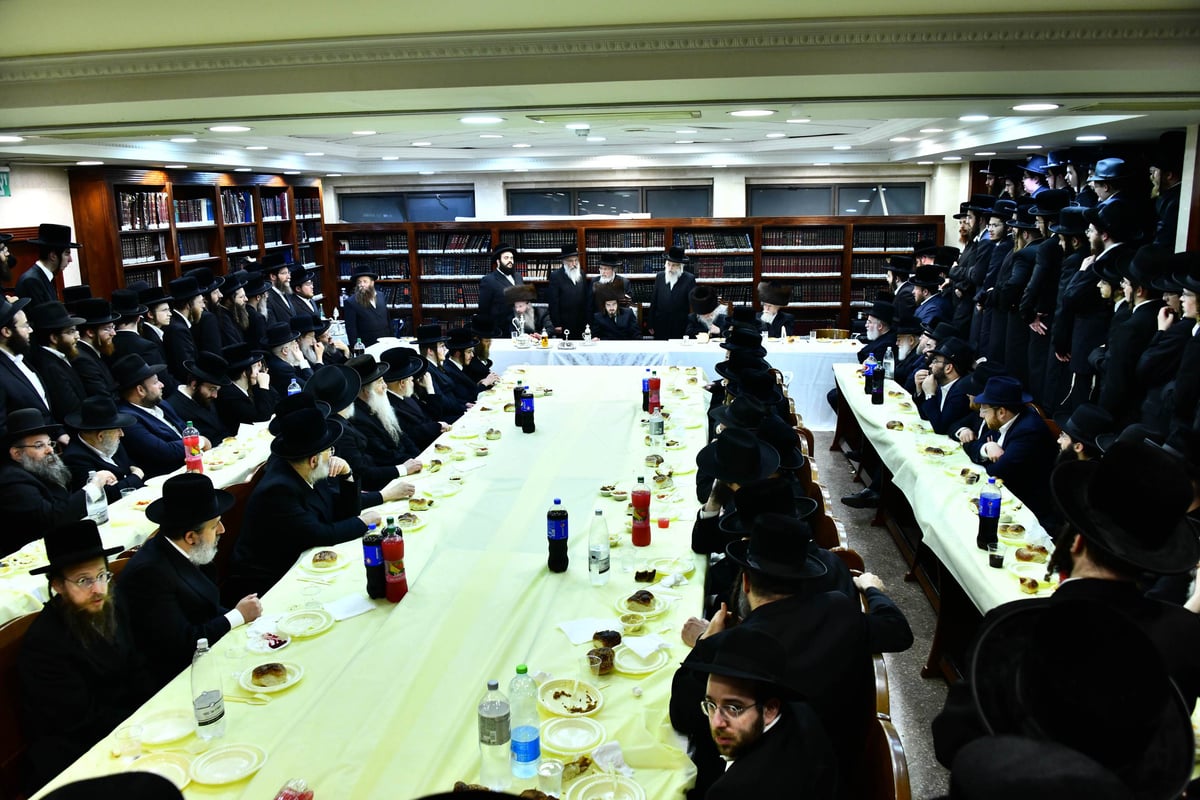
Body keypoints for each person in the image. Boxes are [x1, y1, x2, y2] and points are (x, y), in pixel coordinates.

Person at [670, 512, 880, 800]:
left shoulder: (737, 648)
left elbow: (681, 714)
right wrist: (873, 592)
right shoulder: (841, 609)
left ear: (745, 582)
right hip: (834, 766)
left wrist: (706, 642)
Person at [18, 520, 153, 793]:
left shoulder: (112, 604)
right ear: (58, 585)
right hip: (79, 754)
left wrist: (157, 712)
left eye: (103, 575)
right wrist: (145, 730)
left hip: (128, 727)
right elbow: (80, 718)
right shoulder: (43, 644)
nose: (98, 589)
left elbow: (137, 666)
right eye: (83, 580)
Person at [117, 473, 262, 688]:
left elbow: (206, 608)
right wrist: (237, 616)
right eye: (215, 526)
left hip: (205, 653)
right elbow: (181, 645)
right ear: (190, 537)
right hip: (174, 678)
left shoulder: (187, 550)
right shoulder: (148, 574)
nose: (223, 530)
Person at [231, 400, 380, 595]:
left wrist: (347, 475)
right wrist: (363, 523)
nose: (332, 455)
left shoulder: (306, 469)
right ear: (313, 460)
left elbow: (342, 512)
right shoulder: (278, 490)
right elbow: (319, 534)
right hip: (269, 582)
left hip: (302, 558)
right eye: (329, 451)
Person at [683, 626, 837, 800]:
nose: (717, 722)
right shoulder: (802, 712)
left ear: (770, 709)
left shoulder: (731, 792)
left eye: (734, 708)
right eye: (711, 704)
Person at [0, 409, 114, 553]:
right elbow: (52, 519)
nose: (50, 450)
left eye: (50, 443)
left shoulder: (37, 468)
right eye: (39, 445)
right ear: (17, 453)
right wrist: (94, 486)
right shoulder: (12, 480)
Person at [303, 367, 417, 507]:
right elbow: (361, 472)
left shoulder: (343, 421)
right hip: (368, 491)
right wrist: (402, 469)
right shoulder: (339, 430)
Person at [963, 376, 1058, 526]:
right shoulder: (1006, 419)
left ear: (1001, 411)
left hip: (1027, 509)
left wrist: (984, 454)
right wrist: (986, 448)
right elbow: (970, 445)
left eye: (984, 409)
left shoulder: (1028, 431)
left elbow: (997, 472)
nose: (981, 414)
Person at [1098, 244, 1166, 428]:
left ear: (1139, 290)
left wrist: (1101, 416)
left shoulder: (1130, 326)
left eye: (1126, 283)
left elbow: (1116, 382)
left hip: (1125, 413)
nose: (1122, 287)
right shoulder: (1164, 315)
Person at [113, 353, 206, 478]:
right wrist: (199, 441)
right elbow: (164, 451)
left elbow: (185, 430)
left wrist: (196, 447)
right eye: (156, 382)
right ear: (140, 390)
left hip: (194, 464)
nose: (162, 385)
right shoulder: (129, 419)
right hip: (172, 477)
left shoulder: (161, 404)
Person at [61, 396, 145, 502]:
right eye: (118, 430)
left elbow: (127, 469)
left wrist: (123, 482)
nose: (122, 434)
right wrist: (136, 476)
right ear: (100, 436)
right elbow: (104, 495)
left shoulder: (110, 442)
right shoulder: (75, 458)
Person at [347, 354, 422, 466]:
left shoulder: (378, 403)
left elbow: (402, 436)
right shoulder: (358, 419)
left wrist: (419, 456)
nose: (385, 386)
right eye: (380, 382)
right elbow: (383, 454)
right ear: (366, 391)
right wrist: (412, 461)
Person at [25, 300, 88, 423]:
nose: (77, 336)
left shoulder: (59, 357)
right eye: (70, 332)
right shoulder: (49, 366)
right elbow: (69, 409)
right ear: (54, 338)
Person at [0, 295, 54, 430]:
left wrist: (58, 432)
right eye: (25, 325)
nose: (31, 330)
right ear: (6, 332)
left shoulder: (20, 358)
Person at [166, 351, 235, 443]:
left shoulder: (203, 396)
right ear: (194, 384)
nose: (215, 395)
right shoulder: (173, 407)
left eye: (217, 390)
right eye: (212, 389)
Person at [915, 336, 974, 435]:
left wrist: (929, 394)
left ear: (948, 368)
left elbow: (940, 427)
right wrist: (920, 389)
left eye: (935, 361)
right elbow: (925, 416)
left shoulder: (961, 392)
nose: (930, 365)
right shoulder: (939, 384)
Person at [216, 342, 278, 429]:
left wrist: (263, 385)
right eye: (256, 367)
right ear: (245, 372)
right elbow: (263, 417)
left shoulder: (250, 387)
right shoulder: (230, 395)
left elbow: (276, 402)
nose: (259, 371)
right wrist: (263, 387)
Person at [66, 298, 119, 399]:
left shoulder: (98, 352)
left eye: (113, 327)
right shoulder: (82, 359)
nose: (113, 333)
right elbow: (102, 396)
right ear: (90, 332)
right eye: (107, 329)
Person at [16, 223, 79, 307]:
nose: (70, 260)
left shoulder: (42, 277)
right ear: (53, 256)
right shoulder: (32, 281)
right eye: (67, 253)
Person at [161, 276, 202, 385]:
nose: (203, 306)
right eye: (200, 302)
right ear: (189, 305)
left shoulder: (178, 324)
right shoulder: (178, 330)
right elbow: (186, 369)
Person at [649, 246, 696, 340]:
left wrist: (691, 327)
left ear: (680, 266)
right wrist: (650, 323)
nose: (670, 268)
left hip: (680, 325)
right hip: (660, 324)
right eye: (668, 264)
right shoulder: (660, 276)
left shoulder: (689, 279)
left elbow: (693, 306)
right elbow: (654, 300)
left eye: (674, 265)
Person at [546, 244, 591, 339]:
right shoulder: (556, 276)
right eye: (571, 261)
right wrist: (557, 324)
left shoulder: (581, 274)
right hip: (564, 323)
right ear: (564, 262)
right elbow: (553, 302)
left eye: (576, 260)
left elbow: (586, 298)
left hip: (581, 322)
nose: (574, 264)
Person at [442, 327, 496, 399]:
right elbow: (469, 398)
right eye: (469, 352)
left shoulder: (457, 366)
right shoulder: (450, 372)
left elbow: (468, 390)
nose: (472, 355)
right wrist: (485, 384)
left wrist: (479, 384)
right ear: (458, 354)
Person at [344, 264, 391, 346]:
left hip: (386, 343)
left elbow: (388, 320)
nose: (361, 285)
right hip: (368, 346)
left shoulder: (381, 296)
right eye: (359, 282)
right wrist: (357, 349)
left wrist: (392, 339)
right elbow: (351, 331)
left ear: (372, 282)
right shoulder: (351, 302)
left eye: (365, 281)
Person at [182, 267, 225, 357]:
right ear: (204, 298)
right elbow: (215, 355)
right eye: (215, 292)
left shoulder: (187, 317)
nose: (221, 295)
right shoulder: (208, 318)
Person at [478, 244, 522, 326]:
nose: (510, 261)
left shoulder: (518, 276)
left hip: (520, 327)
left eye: (511, 258)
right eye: (506, 258)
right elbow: (484, 310)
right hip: (500, 330)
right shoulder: (489, 280)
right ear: (498, 261)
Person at [262, 321, 309, 397]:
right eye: (294, 343)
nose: (297, 346)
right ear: (285, 351)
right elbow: (310, 386)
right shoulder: (282, 368)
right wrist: (302, 361)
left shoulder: (277, 362)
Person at [214, 269, 250, 347]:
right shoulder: (224, 320)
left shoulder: (233, 314)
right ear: (229, 300)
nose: (246, 299)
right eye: (241, 297)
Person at [263, 253, 296, 325]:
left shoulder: (285, 292)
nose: (288, 276)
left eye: (288, 273)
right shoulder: (267, 299)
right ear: (273, 276)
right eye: (284, 273)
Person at [885, 255, 916, 322]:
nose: (887, 279)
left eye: (889, 276)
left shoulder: (905, 294)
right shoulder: (905, 290)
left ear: (896, 279)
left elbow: (904, 321)